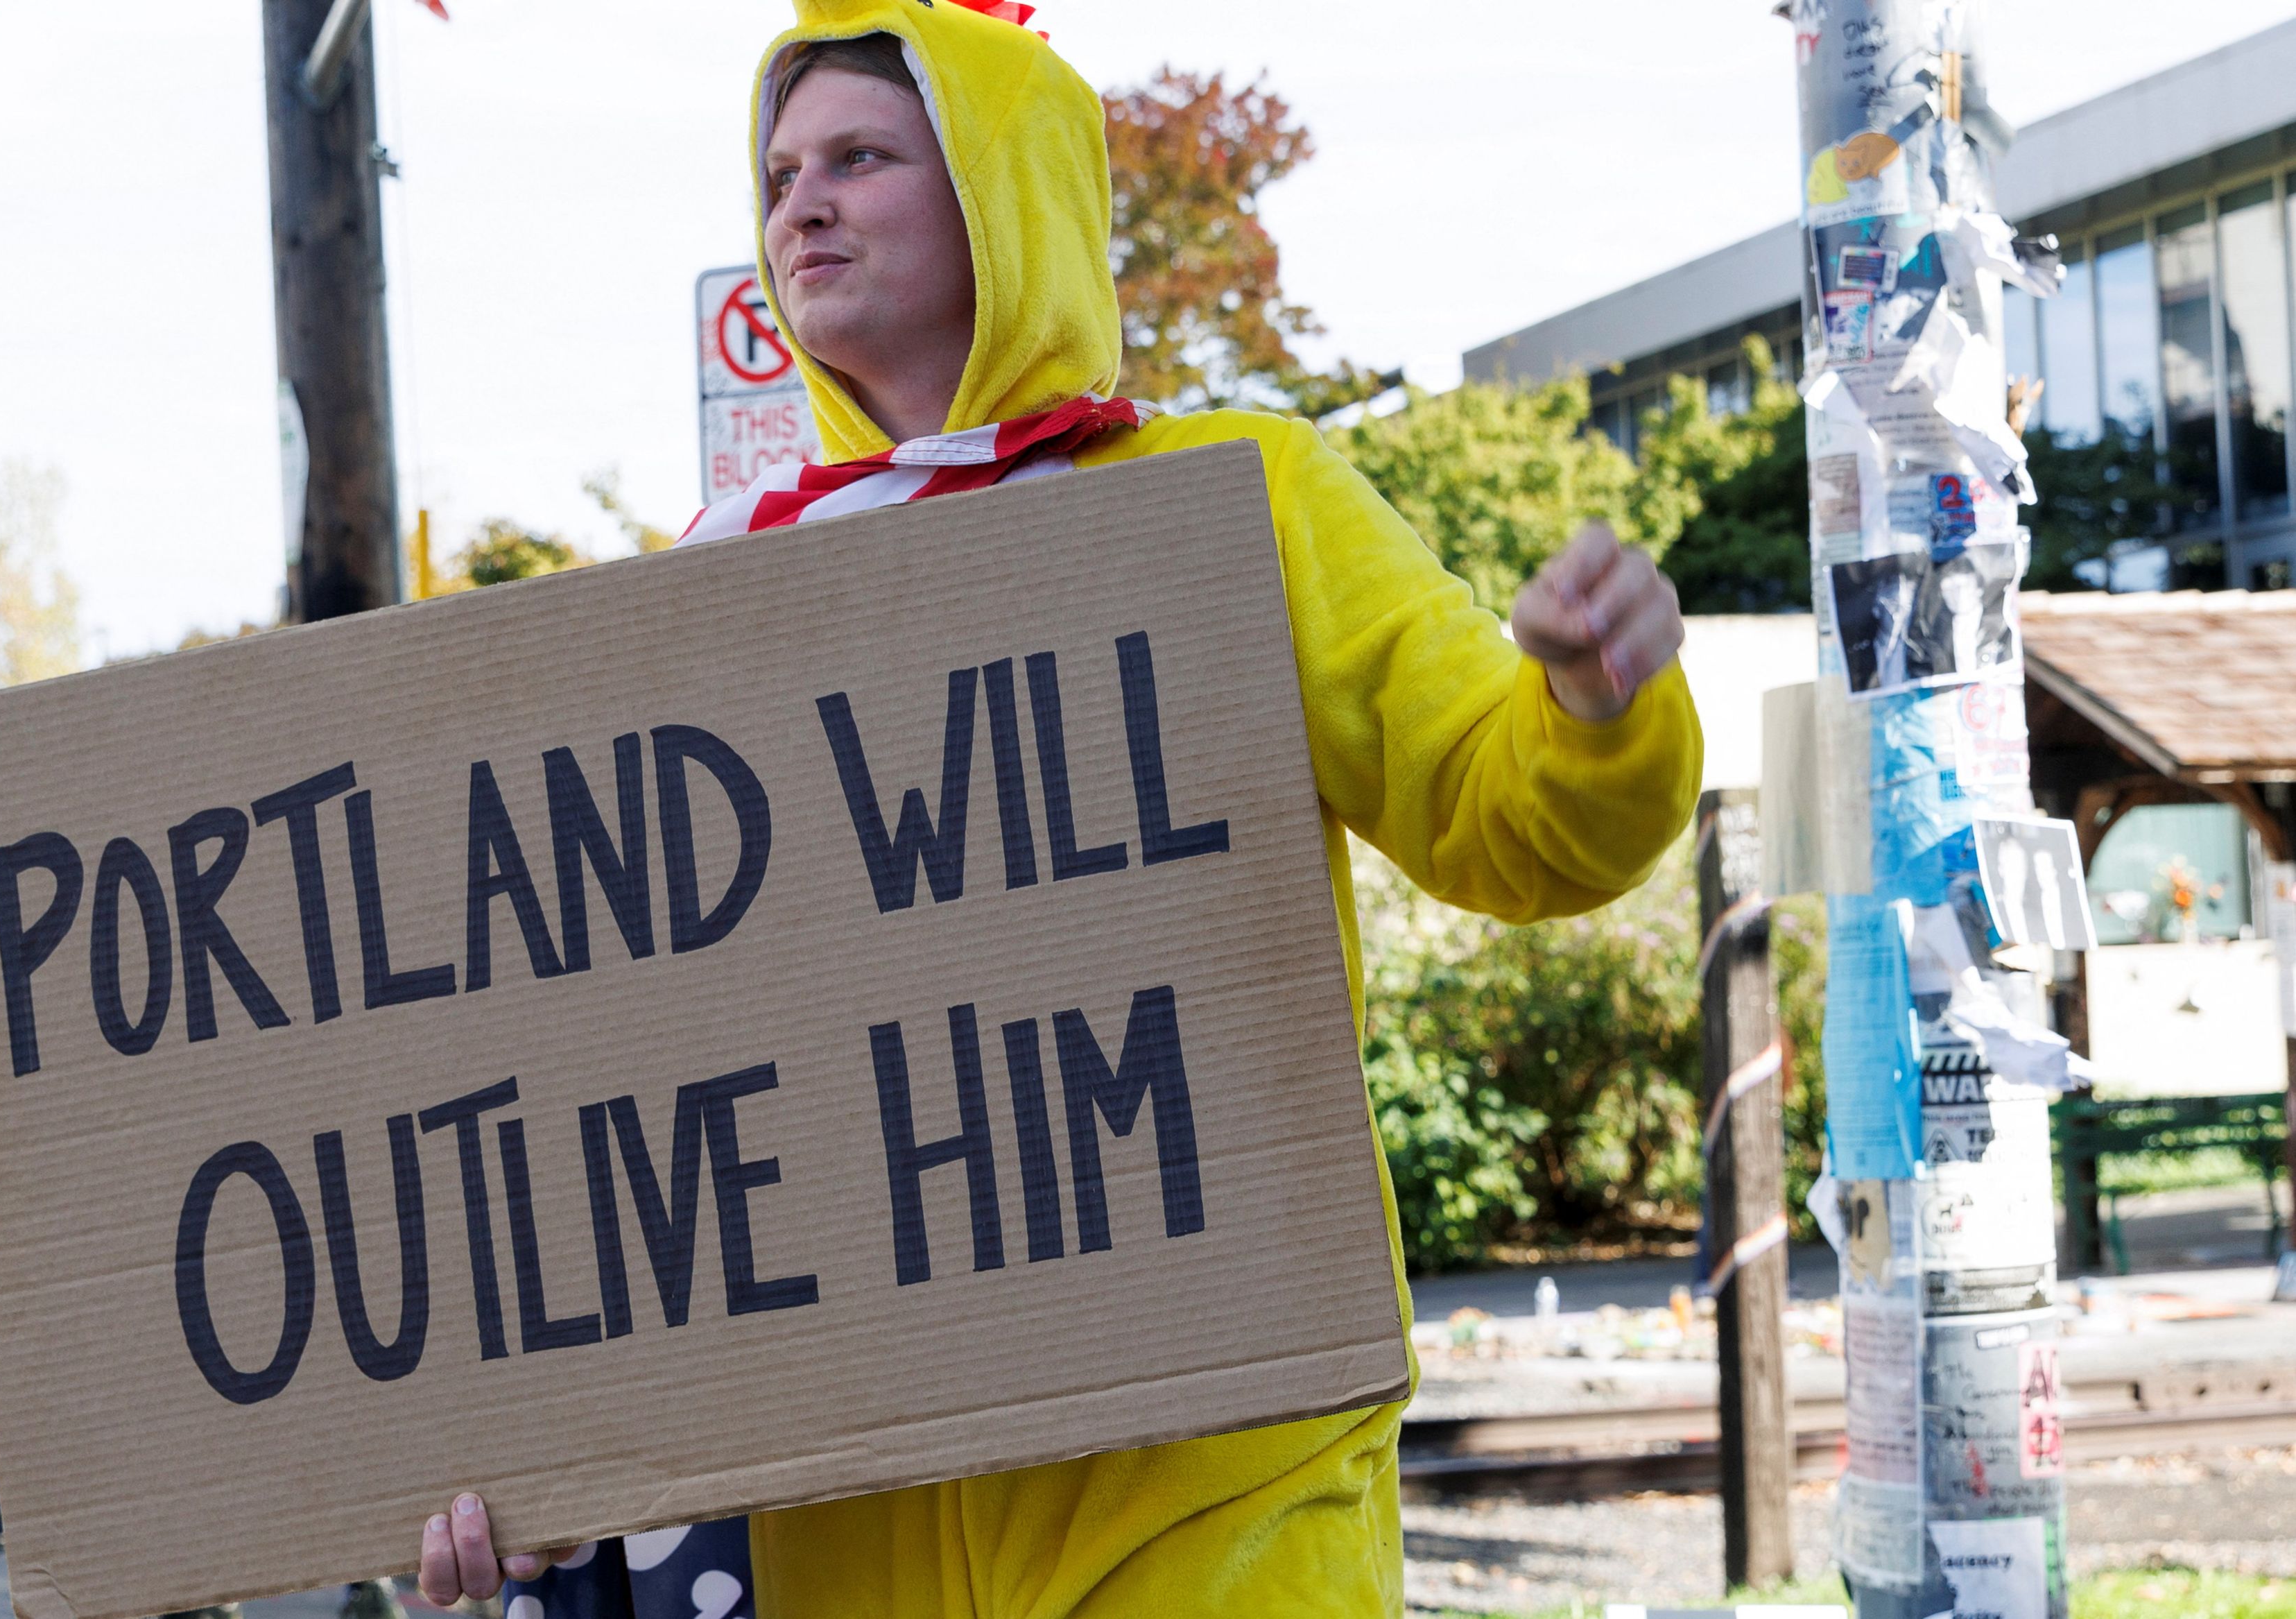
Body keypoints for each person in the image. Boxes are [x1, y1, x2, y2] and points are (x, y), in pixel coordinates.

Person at [417, 1, 1700, 1613]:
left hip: (1210, 1490)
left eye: (860, 157)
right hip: (850, 1526)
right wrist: (523, 1443)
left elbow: (1507, 819)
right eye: (780, 174)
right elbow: (610, 1078)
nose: (802, 205)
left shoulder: (1236, 503)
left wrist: (1593, 705)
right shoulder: (709, 596)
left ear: (1003, 191)